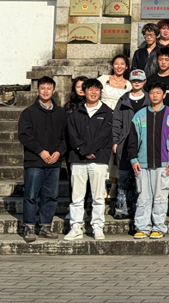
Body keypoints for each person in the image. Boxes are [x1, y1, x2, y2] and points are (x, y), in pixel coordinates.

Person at [127, 82, 169, 240]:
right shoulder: (139, 115)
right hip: (142, 164)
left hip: (164, 164)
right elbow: (132, 139)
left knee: (160, 197)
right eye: (152, 93)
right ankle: (142, 227)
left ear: (164, 95)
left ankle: (158, 227)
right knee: (143, 197)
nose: (155, 95)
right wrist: (133, 159)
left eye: (158, 92)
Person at [18, 76, 66, 243]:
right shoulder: (29, 112)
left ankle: (46, 225)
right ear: (38, 90)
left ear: (54, 90)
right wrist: (40, 151)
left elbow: (65, 137)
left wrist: (59, 152)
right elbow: (24, 136)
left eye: (49, 88)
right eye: (43, 88)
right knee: (31, 195)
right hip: (34, 162)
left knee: (51, 196)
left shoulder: (60, 113)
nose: (46, 91)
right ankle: (29, 226)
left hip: (54, 162)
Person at [64, 79, 113, 241]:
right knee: (77, 197)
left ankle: (97, 226)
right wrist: (83, 151)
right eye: (90, 90)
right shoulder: (75, 112)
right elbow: (72, 134)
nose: (93, 93)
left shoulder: (107, 112)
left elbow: (104, 136)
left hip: (98, 159)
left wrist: (89, 150)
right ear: (84, 92)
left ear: (100, 92)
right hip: (78, 159)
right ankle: (76, 226)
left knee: (98, 197)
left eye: (96, 90)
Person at [112, 69, 149, 220]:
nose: (137, 83)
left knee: (140, 179)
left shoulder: (149, 100)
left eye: (139, 80)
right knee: (124, 178)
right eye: (134, 80)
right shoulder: (123, 100)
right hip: (124, 144)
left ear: (144, 81)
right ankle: (122, 209)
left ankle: (137, 209)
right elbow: (116, 122)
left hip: (144, 145)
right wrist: (115, 141)